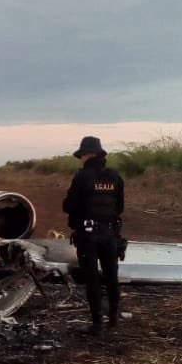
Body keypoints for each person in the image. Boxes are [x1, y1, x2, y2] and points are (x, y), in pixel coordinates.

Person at [62, 135, 125, 335]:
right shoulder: (115, 177)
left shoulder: (82, 177)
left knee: (92, 279)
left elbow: (69, 206)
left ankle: (97, 323)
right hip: (111, 233)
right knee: (111, 276)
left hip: (88, 235)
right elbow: (120, 207)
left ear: (87, 155)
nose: (81, 159)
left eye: (82, 155)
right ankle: (114, 319)